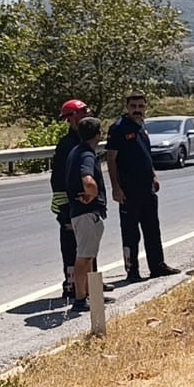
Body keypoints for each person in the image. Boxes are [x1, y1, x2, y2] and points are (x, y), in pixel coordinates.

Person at [105, 92, 179, 282]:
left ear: (145, 106)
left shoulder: (142, 126)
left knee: (152, 229)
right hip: (128, 189)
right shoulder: (119, 128)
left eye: (140, 106)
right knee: (131, 233)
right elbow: (111, 159)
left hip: (147, 188)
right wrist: (116, 188)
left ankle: (157, 266)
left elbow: (145, 154)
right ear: (127, 107)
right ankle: (132, 271)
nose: (137, 110)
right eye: (133, 106)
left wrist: (154, 174)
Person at [63, 116, 108, 313]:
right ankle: (80, 298)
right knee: (84, 256)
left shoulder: (76, 151)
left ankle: (91, 295)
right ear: (98, 134)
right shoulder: (87, 155)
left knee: (88, 256)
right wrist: (93, 194)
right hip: (86, 213)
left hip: (80, 212)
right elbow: (88, 180)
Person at [49, 99, 90, 300]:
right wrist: (64, 210)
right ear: (72, 118)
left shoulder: (85, 141)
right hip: (70, 206)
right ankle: (72, 285)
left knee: (88, 246)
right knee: (72, 248)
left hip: (85, 204)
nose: (86, 116)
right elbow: (57, 180)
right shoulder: (67, 146)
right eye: (82, 113)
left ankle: (91, 284)